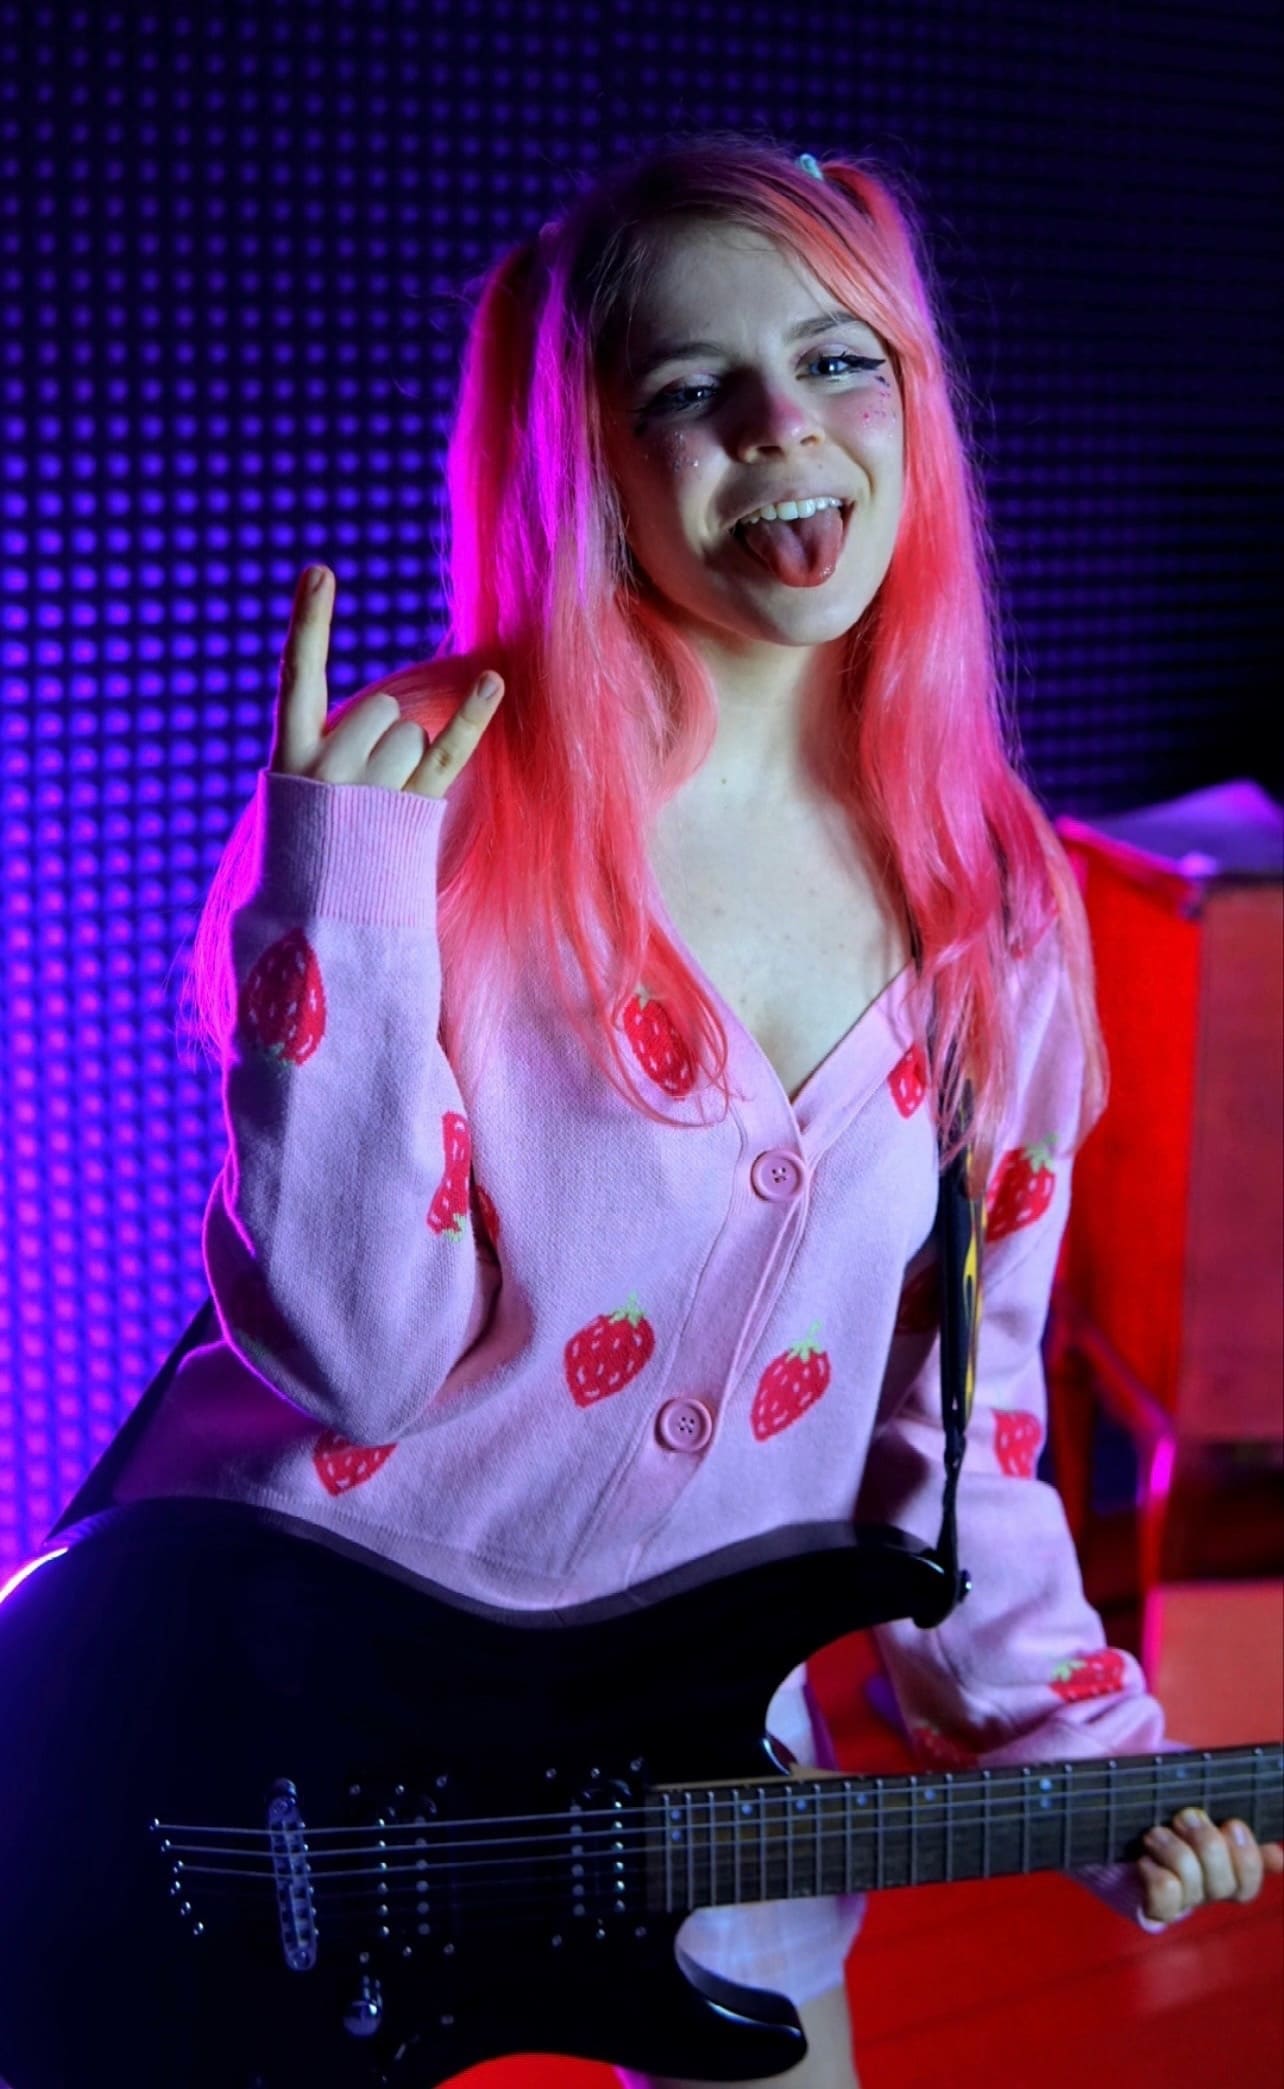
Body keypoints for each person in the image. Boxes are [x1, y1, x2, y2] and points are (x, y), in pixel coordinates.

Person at [102, 135, 1280, 2089]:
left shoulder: (998, 893)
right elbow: (355, 1360)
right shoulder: (416, 803)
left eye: (838, 360)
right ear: (591, 459)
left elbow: (965, 1438)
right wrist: (343, 900)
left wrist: (1091, 1763)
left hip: (699, 1760)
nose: (781, 428)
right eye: (688, 388)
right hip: (281, 1726)